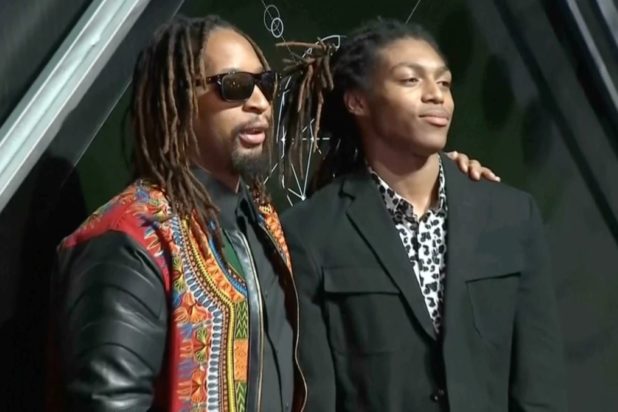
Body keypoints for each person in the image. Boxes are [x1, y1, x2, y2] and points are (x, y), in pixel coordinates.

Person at [48, 14, 496, 412]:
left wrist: (440, 171)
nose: (260, 103)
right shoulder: (130, 237)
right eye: (235, 87)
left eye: (264, 85)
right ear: (180, 99)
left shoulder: (262, 219)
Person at [280, 18, 566, 411]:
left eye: (444, 83)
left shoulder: (512, 216)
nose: (436, 96)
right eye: (410, 80)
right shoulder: (310, 233)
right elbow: (315, 397)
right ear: (357, 101)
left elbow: (540, 389)